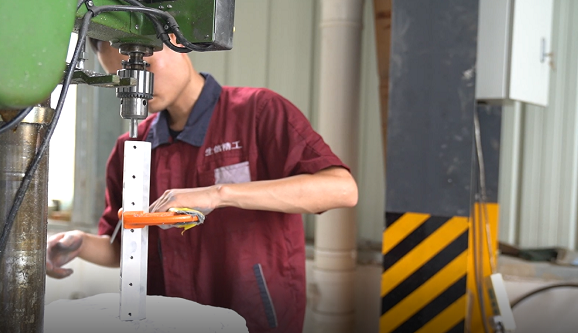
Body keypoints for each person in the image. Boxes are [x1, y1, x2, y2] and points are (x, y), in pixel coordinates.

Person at [46, 37, 358, 333]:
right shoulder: (132, 147)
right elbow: (122, 246)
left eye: (145, 68)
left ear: (177, 42)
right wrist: (79, 242)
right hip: (169, 321)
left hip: (253, 321)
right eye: (122, 77)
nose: (139, 88)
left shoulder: (258, 112)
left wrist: (220, 194)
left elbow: (340, 189)